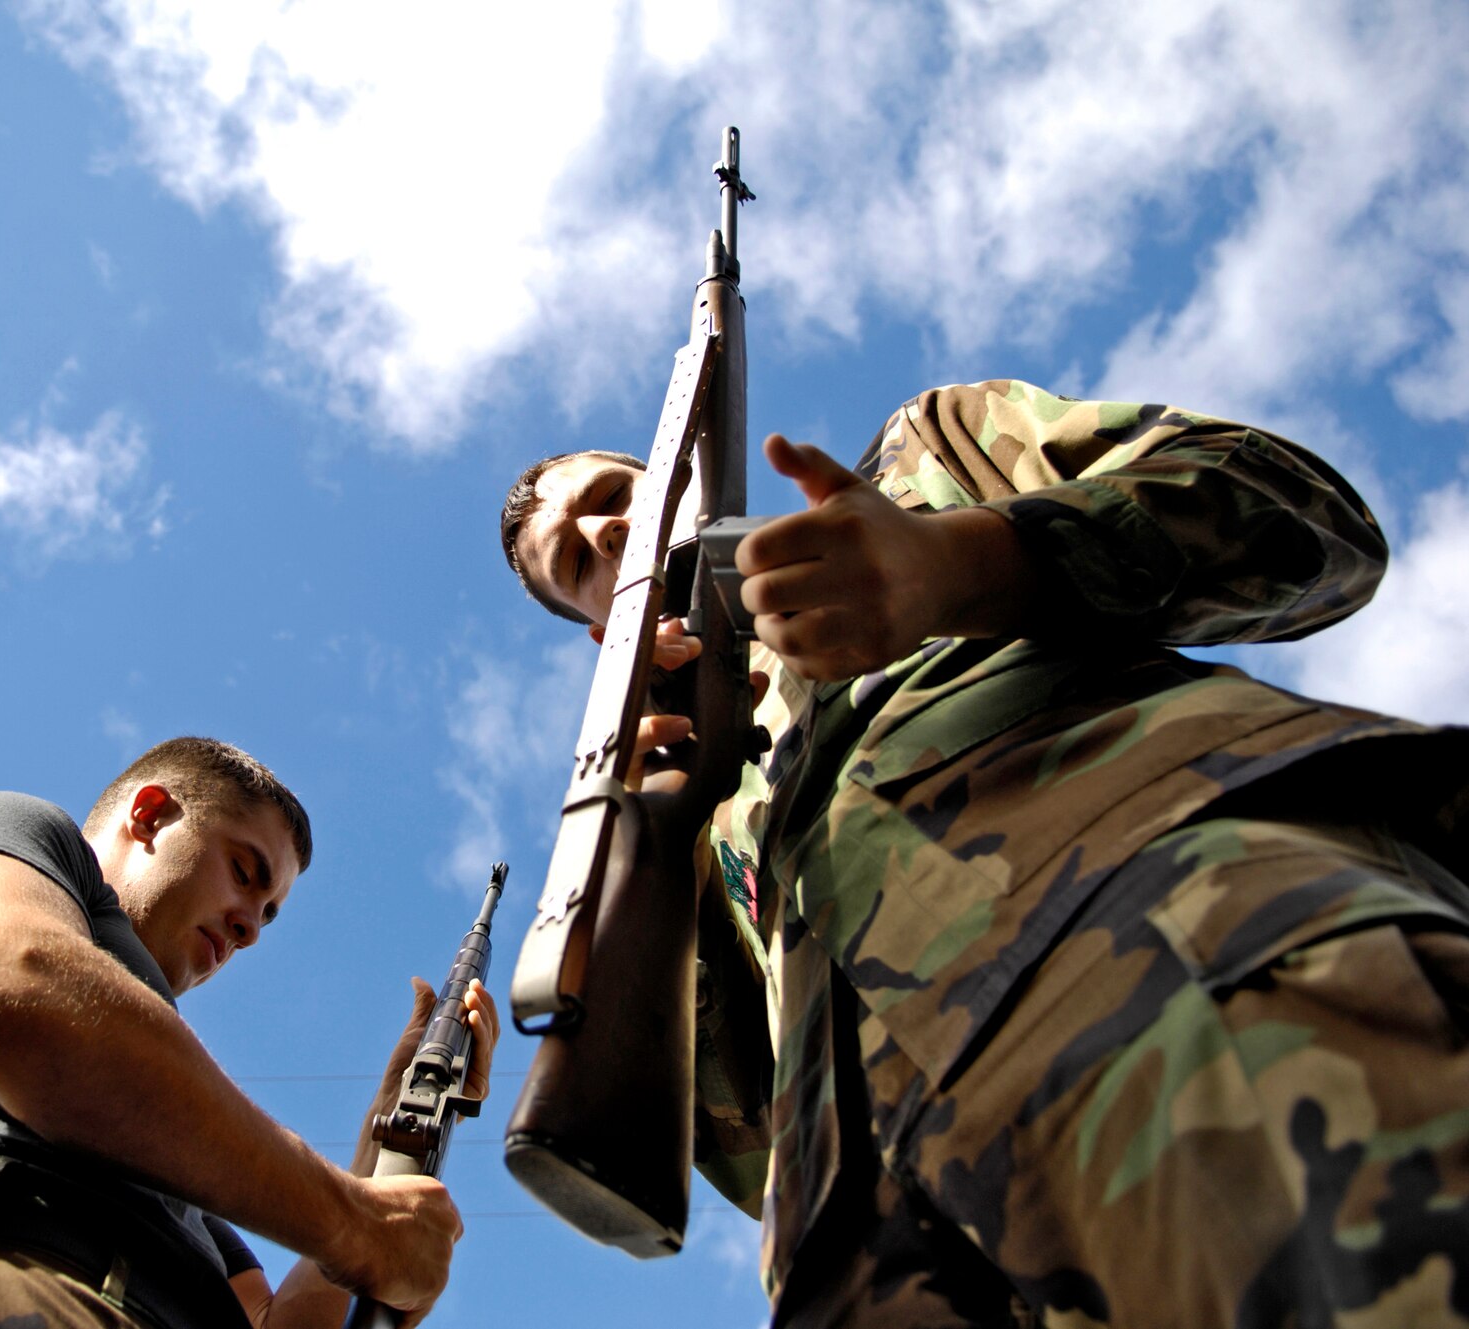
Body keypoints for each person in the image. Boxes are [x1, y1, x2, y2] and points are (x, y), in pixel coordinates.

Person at [500, 382, 1469, 1327]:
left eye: (609, 499)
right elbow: (748, 1157)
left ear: (691, 481)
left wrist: (957, 565)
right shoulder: (684, 808)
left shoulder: (919, 463)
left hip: (1172, 947)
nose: (600, 537)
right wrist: (649, 848)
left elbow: (1304, 520)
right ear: (597, 629)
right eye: (571, 559)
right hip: (884, 1248)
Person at [0, 736, 497, 1329]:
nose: (250, 926)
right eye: (246, 873)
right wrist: (356, 1224)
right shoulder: (19, 832)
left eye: (270, 913)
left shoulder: (191, 1186)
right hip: (6, 1285)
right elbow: (4, 984)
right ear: (150, 814)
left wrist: (388, 1135)